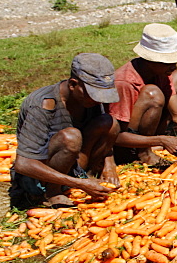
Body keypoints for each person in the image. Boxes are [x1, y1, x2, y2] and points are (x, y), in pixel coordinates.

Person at [10, 54, 120, 209]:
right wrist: (79, 183)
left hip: (73, 164)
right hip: (38, 176)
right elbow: (23, 164)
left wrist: (109, 164)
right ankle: (52, 192)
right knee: (71, 136)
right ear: (73, 85)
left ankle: (83, 176)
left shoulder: (88, 100)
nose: (97, 101)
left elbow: (103, 130)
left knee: (109, 122)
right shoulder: (42, 105)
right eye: (93, 95)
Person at [109, 23, 177, 167]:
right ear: (149, 60)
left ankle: (150, 144)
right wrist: (160, 140)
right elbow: (115, 137)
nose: (173, 66)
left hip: (148, 135)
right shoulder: (124, 83)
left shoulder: (159, 73)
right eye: (167, 62)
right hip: (123, 145)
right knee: (153, 93)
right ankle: (143, 154)